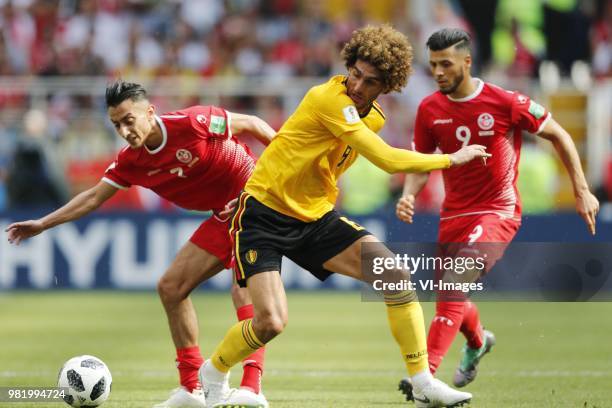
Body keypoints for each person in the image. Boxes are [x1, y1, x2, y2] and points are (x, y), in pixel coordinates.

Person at [198, 24, 490, 408]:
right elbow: (386, 159)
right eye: (355, 73)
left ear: (387, 85)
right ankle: (214, 371)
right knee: (270, 323)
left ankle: (422, 382)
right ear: (348, 65)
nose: (357, 85)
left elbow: (299, 150)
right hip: (264, 216)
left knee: (396, 276)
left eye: (370, 82)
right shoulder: (328, 98)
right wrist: (452, 158)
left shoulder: (375, 118)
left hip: (314, 217)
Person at [5, 80, 276, 408]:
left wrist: (284, 172)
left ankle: (251, 386)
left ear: (150, 112)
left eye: (128, 120)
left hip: (253, 198)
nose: (123, 130)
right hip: (223, 215)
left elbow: (252, 124)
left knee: (242, 289)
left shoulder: (193, 122)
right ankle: (192, 390)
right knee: (171, 288)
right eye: (116, 124)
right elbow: (93, 197)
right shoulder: (131, 161)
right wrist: (43, 223)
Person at [396, 28, 599, 398]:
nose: (439, 72)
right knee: (450, 295)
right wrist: (409, 194)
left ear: (467, 62)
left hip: (497, 211)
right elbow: (422, 164)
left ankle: (424, 378)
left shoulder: (506, 101)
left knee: (453, 284)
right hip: (453, 217)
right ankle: (478, 341)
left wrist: (581, 189)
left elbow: (560, 135)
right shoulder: (429, 109)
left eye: (446, 64)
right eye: (433, 66)